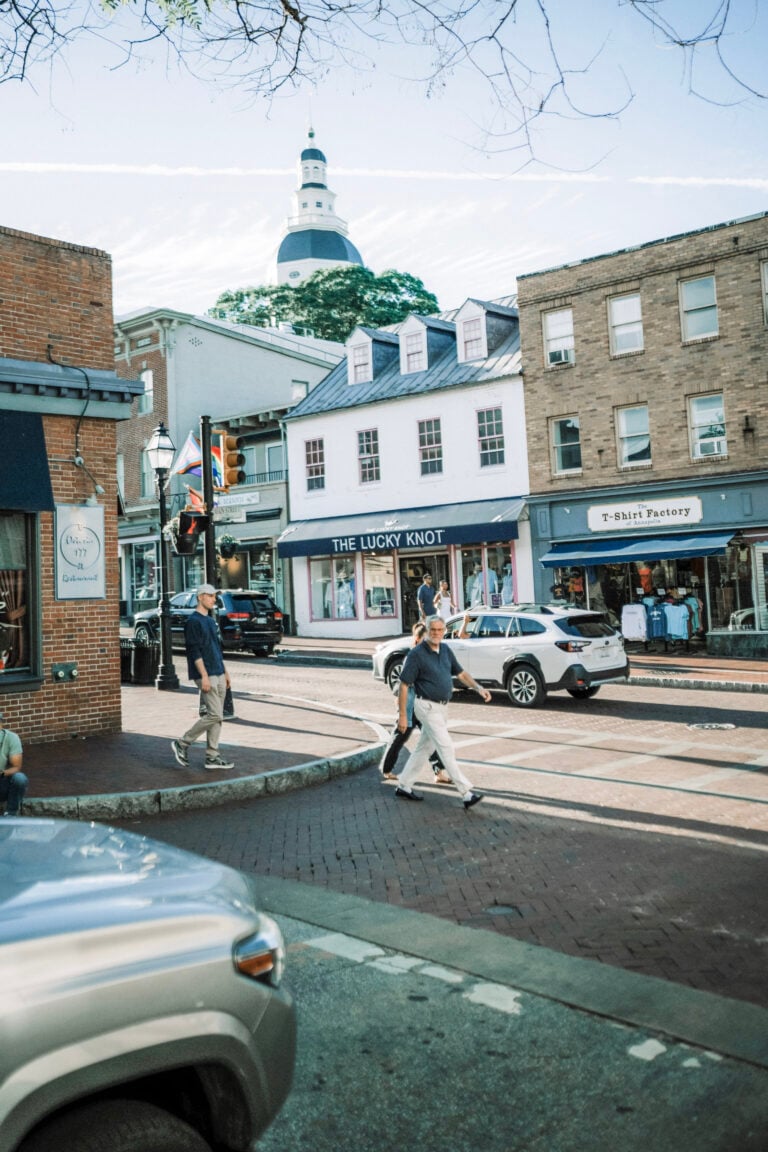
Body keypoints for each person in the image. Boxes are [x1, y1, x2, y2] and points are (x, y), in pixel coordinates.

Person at [395, 615, 491, 809]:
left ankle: (404, 785)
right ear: (427, 631)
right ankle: (466, 793)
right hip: (426, 707)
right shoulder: (417, 654)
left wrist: (478, 687)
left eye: (440, 630)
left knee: (424, 748)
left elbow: (461, 673)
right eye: (433, 630)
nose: (436, 633)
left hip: (442, 707)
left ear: (444, 631)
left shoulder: (446, 650)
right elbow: (404, 685)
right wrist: (403, 716)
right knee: (446, 748)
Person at [171, 584, 234, 770]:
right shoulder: (193, 622)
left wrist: (226, 671)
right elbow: (194, 651)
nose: (214, 599)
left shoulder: (210, 621)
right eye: (210, 596)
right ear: (200, 597)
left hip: (219, 672)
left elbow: (216, 649)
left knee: (218, 716)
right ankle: (182, 743)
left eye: (215, 596)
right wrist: (204, 676)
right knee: (214, 714)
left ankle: (212, 757)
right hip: (206, 674)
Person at [380, 622, 451, 784]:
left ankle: (438, 772)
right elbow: (403, 684)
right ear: (418, 640)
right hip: (410, 707)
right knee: (399, 738)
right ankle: (387, 769)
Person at [0, 713, 28, 816]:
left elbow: (16, 767)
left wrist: (2, 773)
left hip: (2, 781)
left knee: (19, 778)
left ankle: (10, 814)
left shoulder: (11, 738)